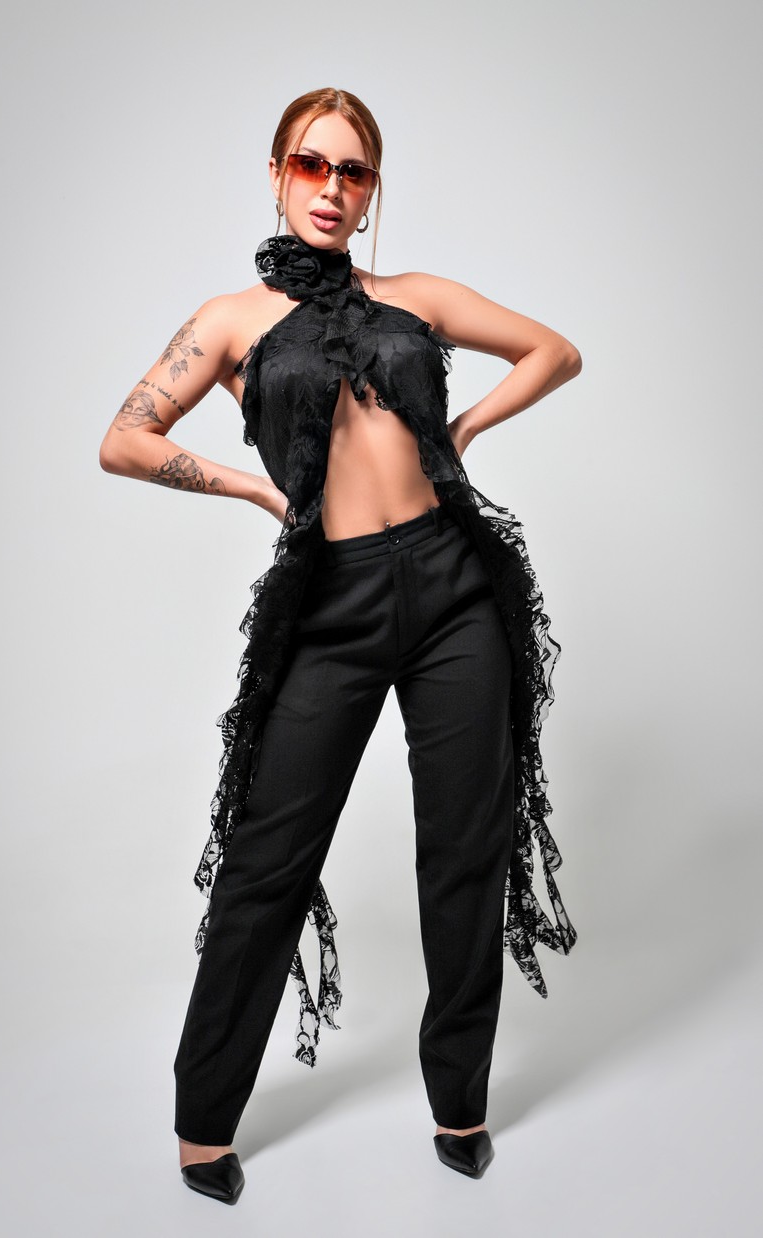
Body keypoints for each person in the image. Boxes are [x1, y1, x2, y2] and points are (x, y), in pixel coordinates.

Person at [99, 86, 581, 1206]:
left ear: (371, 192)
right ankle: (203, 1121)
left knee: (463, 851)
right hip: (333, 599)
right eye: (311, 165)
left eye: (351, 171)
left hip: (455, 589)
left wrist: (462, 428)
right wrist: (254, 488)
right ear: (277, 172)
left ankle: (460, 1103)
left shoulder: (414, 299)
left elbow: (554, 351)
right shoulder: (231, 320)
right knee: (270, 858)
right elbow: (124, 437)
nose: (330, 187)